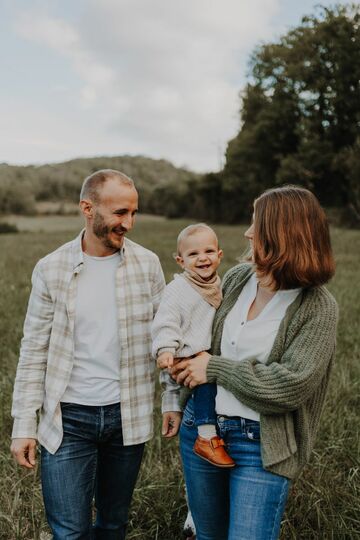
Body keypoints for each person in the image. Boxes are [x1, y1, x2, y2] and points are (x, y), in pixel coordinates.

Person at [171, 185, 338, 540]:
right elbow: (196, 334)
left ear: (281, 234)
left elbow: (289, 384)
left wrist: (214, 368)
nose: (248, 232)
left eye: (255, 223)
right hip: (203, 430)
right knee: (208, 535)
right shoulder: (235, 280)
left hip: (261, 443)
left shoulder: (317, 306)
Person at [10, 169, 165, 540]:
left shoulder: (148, 265)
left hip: (127, 414)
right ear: (87, 208)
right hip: (68, 418)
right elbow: (34, 347)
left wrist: (173, 400)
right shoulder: (51, 269)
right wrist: (23, 424)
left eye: (133, 213)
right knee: (70, 532)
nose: (128, 223)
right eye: (119, 213)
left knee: (113, 525)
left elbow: (166, 339)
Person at [152, 223, 234, 468]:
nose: (202, 258)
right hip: (188, 352)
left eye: (208, 251)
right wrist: (166, 349)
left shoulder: (218, 286)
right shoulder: (178, 290)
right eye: (193, 254)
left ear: (219, 255)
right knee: (204, 385)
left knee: (212, 380)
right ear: (180, 261)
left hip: (208, 352)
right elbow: (165, 321)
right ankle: (206, 436)